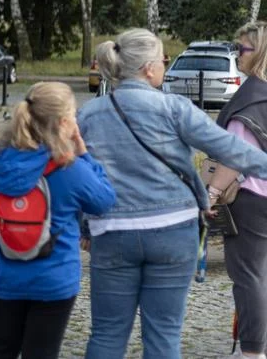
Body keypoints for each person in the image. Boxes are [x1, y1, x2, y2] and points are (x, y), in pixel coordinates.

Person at [78, 28, 267, 359]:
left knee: (107, 334)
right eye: (164, 60)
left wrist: (84, 226)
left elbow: (74, 175)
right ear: (149, 68)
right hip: (172, 233)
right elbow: (233, 150)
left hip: (112, 232)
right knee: (164, 336)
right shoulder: (175, 108)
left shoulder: (89, 115)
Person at [0, 82, 116, 359]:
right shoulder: (70, 167)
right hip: (54, 280)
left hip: (4, 277)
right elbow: (104, 201)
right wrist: (84, 153)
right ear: (63, 123)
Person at [205, 22, 267, 359]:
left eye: (241, 48)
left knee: (249, 279)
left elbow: (234, 157)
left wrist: (211, 194)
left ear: (258, 52)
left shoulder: (253, 98)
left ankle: (253, 353)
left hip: (253, 200)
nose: (236, 54)